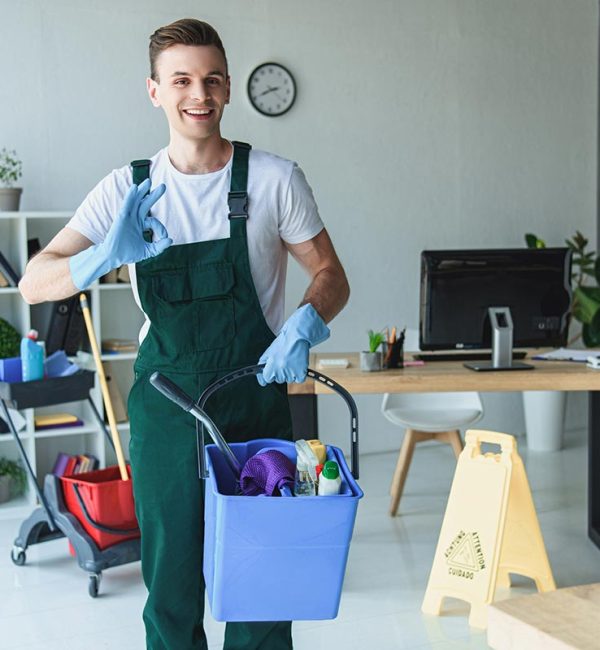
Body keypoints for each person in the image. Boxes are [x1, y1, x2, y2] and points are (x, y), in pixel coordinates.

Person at [18, 17, 349, 650]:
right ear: (154, 91)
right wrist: (99, 255)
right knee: (169, 584)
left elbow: (332, 274)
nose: (199, 94)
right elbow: (35, 282)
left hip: (254, 402)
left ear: (226, 89)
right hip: (167, 408)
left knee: (263, 579)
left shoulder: (275, 179)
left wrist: (308, 319)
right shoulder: (128, 188)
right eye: (182, 80)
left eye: (212, 79)